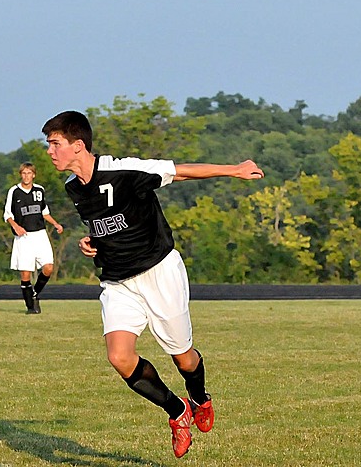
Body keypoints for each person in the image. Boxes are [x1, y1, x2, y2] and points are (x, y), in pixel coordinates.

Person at [42, 111, 264, 458]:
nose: (50, 152)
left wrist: (234, 169)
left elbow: (179, 171)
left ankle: (200, 398)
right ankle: (177, 412)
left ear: (78, 145)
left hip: (159, 273)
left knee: (184, 358)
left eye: (55, 144)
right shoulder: (73, 188)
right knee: (119, 357)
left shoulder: (124, 170)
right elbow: (106, 225)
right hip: (117, 282)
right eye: (49, 145)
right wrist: (91, 241)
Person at [4, 162, 64, 314]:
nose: (26, 176)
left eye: (29, 173)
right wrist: (15, 226)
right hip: (24, 237)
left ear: (34, 175)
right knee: (25, 274)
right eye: (24, 173)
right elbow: (7, 214)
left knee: (48, 267)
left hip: (40, 234)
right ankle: (31, 307)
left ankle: (34, 293)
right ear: (20, 175)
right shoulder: (14, 191)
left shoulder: (39, 190)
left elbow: (44, 212)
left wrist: (56, 224)